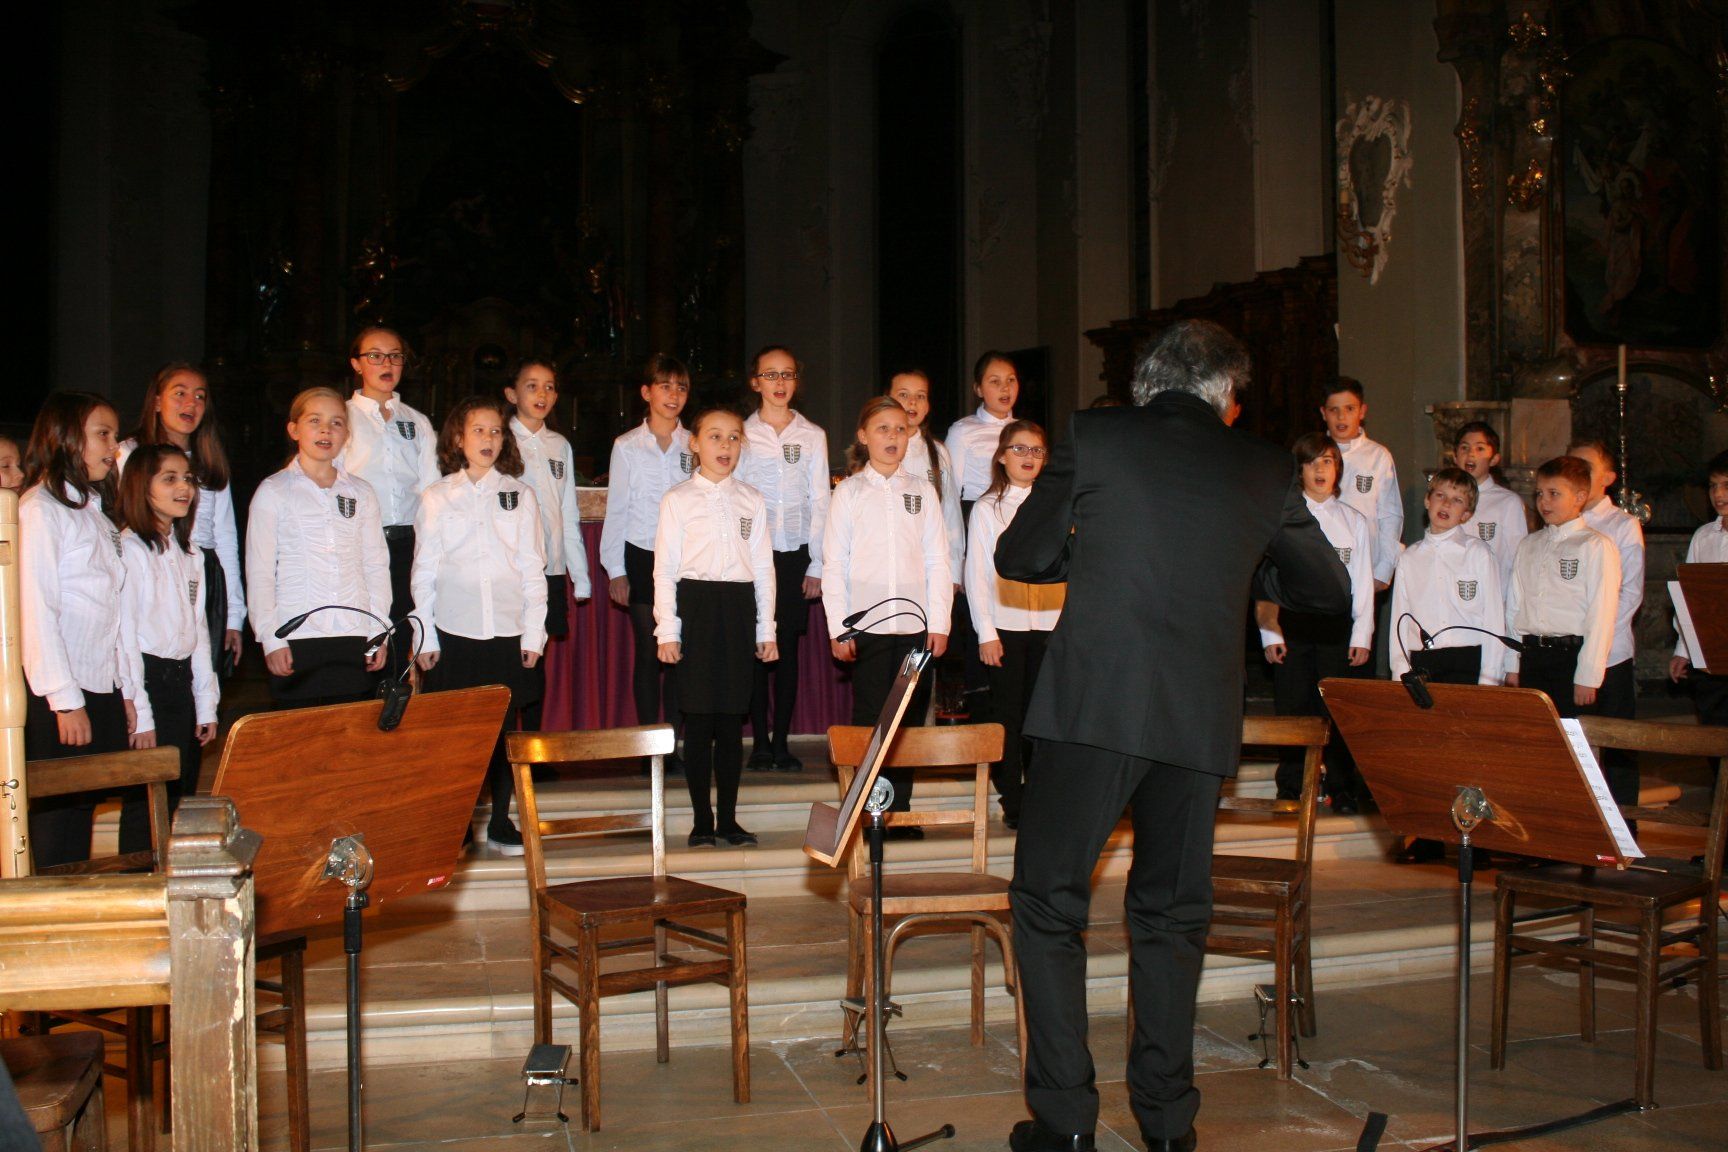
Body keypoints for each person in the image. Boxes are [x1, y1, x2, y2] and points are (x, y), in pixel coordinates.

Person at [994, 320, 1349, 1152]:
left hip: (1094, 707)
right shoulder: (1262, 465)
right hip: (1196, 715)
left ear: (1145, 384)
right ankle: (1165, 1124)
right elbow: (1327, 590)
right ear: (1226, 396)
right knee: (1171, 915)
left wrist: (1091, 547)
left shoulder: (1096, 436)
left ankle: (1066, 1122)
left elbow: (1023, 557)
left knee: (1048, 901)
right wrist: (1241, 564)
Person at [413, 395, 548, 855]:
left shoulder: (520, 494)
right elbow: (423, 571)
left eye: (496, 431)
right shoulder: (437, 496)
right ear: (458, 438)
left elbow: (532, 567)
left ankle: (502, 820)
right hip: (454, 631)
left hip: (508, 631)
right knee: (457, 736)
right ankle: (457, 822)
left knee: (504, 733)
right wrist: (425, 636)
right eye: (478, 430)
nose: (488, 438)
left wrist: (534, 633)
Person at [823, 397, 952, 836]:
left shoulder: (922, 490)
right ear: (864, 436)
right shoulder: (849, 492)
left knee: (907, 720)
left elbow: (937, 559)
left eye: (900, 429)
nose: (893, 437)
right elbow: (835, 564)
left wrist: (940, 623)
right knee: (871, 719)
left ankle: (900, 812)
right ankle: (868, 810)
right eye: (883, 429)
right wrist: (839, 627)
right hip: (869, 626)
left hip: (915, 626)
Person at [19, 392, 134, 868]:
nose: (113, 446)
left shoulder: (92, 510)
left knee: (82, 813)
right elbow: (36, 608)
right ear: (66, 438)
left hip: (97, 683)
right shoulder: (41, 509)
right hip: (61, 694)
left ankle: (80, 907)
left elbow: (112, 608)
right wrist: (65, 701)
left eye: (114, 435)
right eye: (102, 434)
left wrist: (123, 689)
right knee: (57, 822)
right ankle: (50, 910)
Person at [654, 409, 777, 847]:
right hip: (696, 608)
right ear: (694, 443)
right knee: (699, 719)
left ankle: (728, 818)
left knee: (730, 721)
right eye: (715, 437)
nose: (725, 446)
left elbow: (763, 568)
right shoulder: (677, 499)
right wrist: (668, 629)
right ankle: (701, 820)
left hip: (738, 609)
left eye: (733, 437)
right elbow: (664, 569)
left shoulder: (751, 499)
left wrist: (766, 629)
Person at [247, 387, 391, 707]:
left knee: (352, 728)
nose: (326, 430)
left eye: (336, 422)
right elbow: (260, 571)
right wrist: (271, 638)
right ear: (294, 429)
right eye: (315, 421)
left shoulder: (361, 492)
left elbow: (375, 565)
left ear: (347, 434)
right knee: (300, 731)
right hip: (297, 633)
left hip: (353, 631)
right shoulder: (274, 491)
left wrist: (378, 630)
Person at [1256, 433, 1374, 812]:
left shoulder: (1353, 521)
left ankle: (1342, 787)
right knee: (1293, 706)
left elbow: (1363, 583)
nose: (1320, 469)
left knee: (1336, 708)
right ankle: (1291, 786)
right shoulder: (1285, 521)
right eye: (1311, 462)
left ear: (1338, 468)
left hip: (1336, 629)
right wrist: (1270, 633)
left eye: (1327, 461)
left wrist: (1362, 634)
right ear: (1299, 470)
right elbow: (1266, 581)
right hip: (1293, 626)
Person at [965, 420, 1063, 829]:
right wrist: (986, 632)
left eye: (1037, 450)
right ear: (1002, 456)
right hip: (1006, 625)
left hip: (1050, 624)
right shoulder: (988, 508)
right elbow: (977, 573)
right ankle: (1013, 797)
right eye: (1019, 449)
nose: (1028, 457)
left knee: (1045, 717)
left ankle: (1042, 794)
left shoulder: (1056, 507)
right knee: (1009, 716)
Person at [119, 364, 246, 680]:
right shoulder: (130, 453)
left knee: (203, 677)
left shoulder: (209, 459)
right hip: (152, 569)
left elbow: (225, 536)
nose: (191, 403)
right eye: (180, 393)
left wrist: (233, 615)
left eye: (200, 396)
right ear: (157, 401)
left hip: (205, 571)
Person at [738, 345, 829, 773]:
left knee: (788, 649)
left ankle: (781, 742)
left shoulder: (812, 435)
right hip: (752, 556)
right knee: (757, 646)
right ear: (755, 382)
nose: (779, 383)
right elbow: (736, 496)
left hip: (795, 555)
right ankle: (758, 740)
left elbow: (820, 500)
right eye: (770, 375)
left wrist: (817, 563)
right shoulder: (740, 433)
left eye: (787, 374)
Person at [115, 443, 219, 816]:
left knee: (179, 799)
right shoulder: (131, 549)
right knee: (145, 810)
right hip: (148, 682)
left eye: (188, 478)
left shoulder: (189, 553)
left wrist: (205, 703)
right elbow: (125, 637)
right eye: (170, 479)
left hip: (180, 683)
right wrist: (142, 715)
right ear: (141, 486)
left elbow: (198, 631)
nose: (184, 487)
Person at [600, 354, 693, 760]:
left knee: (678, 651)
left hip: (686, 559)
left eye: (681, 387)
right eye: (665, 386)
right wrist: (615, 570)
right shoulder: (627, 446)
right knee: (647, 650)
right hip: (640, 554)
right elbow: (617, 509)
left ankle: (672, 743)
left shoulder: (695, 443)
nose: (673, 395)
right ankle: (647, 745)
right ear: (646, 392)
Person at [336, 327, 440, 672]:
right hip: (360, 543)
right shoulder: (341, 417)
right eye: (375, 356)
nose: (387, 364)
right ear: (356, 364)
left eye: (395, 356)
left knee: (400, 636)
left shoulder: (417, 421)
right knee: (361, 635)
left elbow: (431, 490)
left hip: (408, 542)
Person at [506, 358, 592, 732]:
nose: (542, 394)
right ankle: (501, 747)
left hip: (550, 568)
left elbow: (567, 511)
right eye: (532, 385)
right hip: (511, 570)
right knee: (508, 656)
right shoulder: (500, 441)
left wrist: (580, 575)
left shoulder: (559, 445)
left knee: (536, 657)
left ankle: (534, 744)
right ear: (512, 394)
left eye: (549, 387)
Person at [1503, 456, 1619, 719]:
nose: (1543, 502)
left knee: (1571, 735)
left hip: (1570, 657)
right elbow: (1515, 607)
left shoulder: (1594, 545)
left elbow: (1601, 614)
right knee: (1535, 733)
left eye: (1553, 493)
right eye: (1539, 493)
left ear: (1579, 497)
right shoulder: (1529, 545)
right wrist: (1512, 664)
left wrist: (1588, 675)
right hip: (1532, 655)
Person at [1567, 438, 1646, 805]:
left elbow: (1629, 592)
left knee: (1616, 749)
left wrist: (1596, 643)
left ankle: (1625, 827)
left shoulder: (1622, 525)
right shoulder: (1564, 522)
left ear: (1608, 478)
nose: (1577, 473)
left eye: (1586, 467)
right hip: (1570, 649)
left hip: (1610, 652)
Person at [1389, 468, 1507, 687]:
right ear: (1427, 501)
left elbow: (1493, 618)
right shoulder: (1409, 558)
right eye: (1440, 495)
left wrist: (1490, 678)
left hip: (1467, 659)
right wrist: (1400, 672)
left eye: (1457, 500)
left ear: (1466, 514)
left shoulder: (1478, 553)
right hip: (1423, 660)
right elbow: (1400, 618)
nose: (1446, 504)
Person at [890, 369, 964, 615]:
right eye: (903, 395)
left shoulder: (938, 453)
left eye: (920, 396)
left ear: (928, 405)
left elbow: (950, 512)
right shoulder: (875, 449)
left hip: (927, 565)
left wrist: (954, 568)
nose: (912, 402)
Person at [1321, 378, 1402, 591]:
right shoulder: (1313, 455)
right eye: (1334, 410)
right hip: (1321, 565)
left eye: (1349, 409)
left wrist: (1383, 570)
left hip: (1363, 566)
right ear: (1323, 413)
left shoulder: (1378, 456)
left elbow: (1390, 515)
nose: (1341, 417)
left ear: (1362, 411)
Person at [1668, 450, 1728, 725]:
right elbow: (1690, 598)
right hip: (1710, 659)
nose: (1718, 494)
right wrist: (1684, 649)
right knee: (1713, 732)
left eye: (1726, 485)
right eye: (1713, 486)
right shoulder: (1703, 537)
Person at [1450, 420, 1528, 589]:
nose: (1471, 454)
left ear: (1494, 459)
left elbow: (1519, 558)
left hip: (1493, 593)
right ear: (1455, 457)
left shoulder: (1507, 502)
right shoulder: (1445, 499)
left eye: (1480, 448)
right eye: (1464, 448)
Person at [945, 352, 1021, 517]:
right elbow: (950, 490)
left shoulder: (1024, 430)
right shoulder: (962, 431)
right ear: (978, 389)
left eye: (1011, 380)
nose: (1005, 388)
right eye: (995, 381)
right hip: (979, 515)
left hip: (1021, 515)